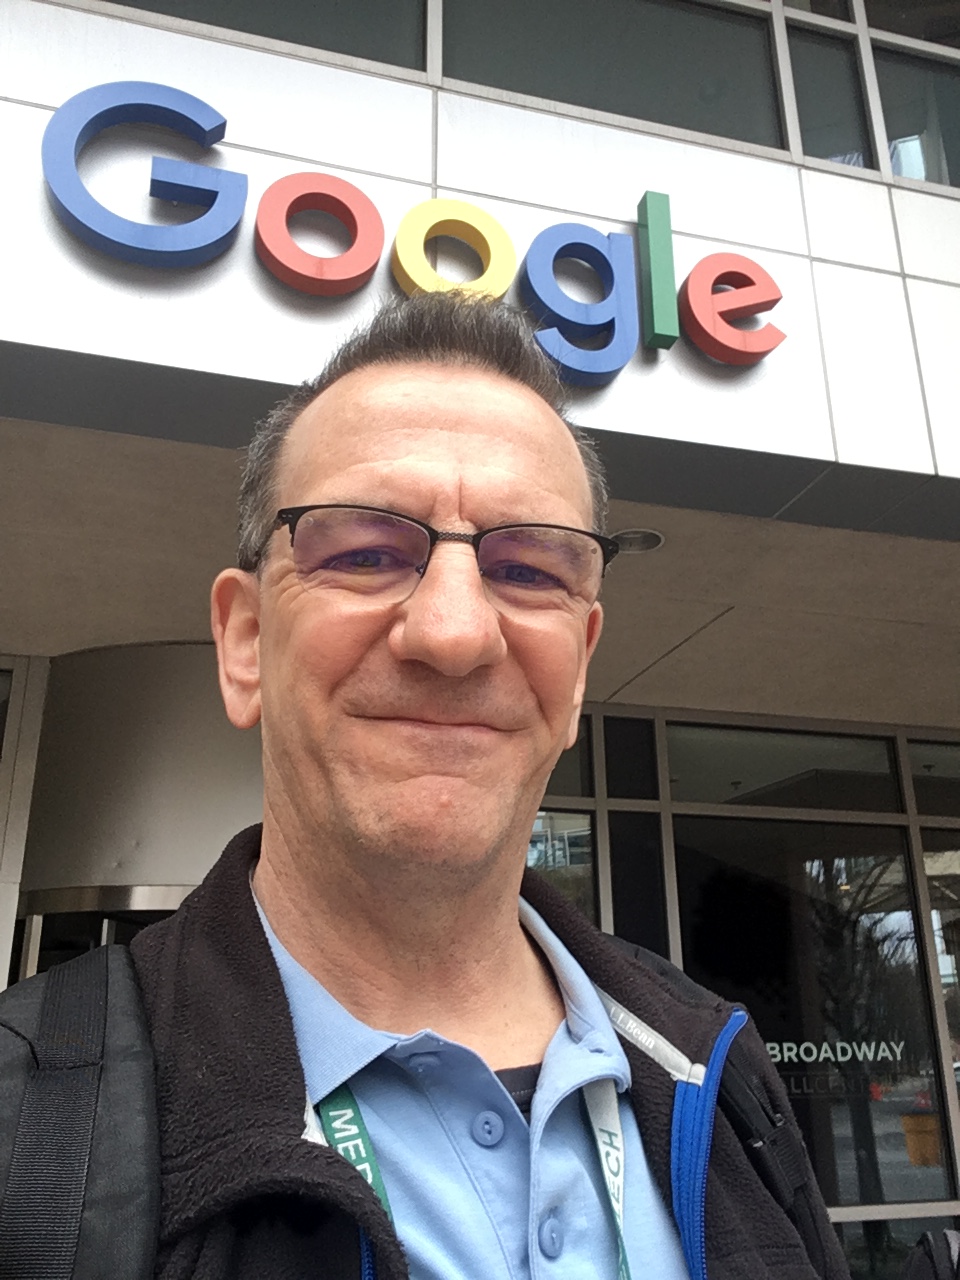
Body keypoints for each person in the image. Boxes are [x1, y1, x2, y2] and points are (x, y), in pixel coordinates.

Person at [125, 291, 849, 1280]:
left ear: (582, 663)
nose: (455, 633)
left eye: (529, 567)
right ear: (245, 640)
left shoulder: (720, 1070)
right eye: (368, 550)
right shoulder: (34, 1118)